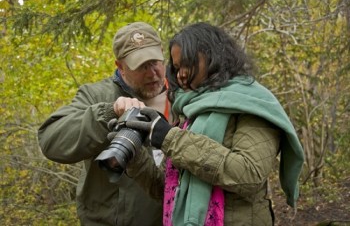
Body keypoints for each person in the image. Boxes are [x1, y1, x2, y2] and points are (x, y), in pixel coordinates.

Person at [121, 22, 305, 225]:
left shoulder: (250, 103)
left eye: (188, 63)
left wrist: (170, 138)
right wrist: (133, 153)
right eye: (176, 67)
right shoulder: (189, 109)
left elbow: (249, 174)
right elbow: (166, 187)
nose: (181, 74)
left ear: (213, 56)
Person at [37, 22, 171, 226]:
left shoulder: (182, 94)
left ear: (162, 54)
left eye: (154, 62)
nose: (152, 73)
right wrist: (108, 113)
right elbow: (51, 140)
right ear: (121, 67)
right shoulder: (96, 95)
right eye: (141, 66)